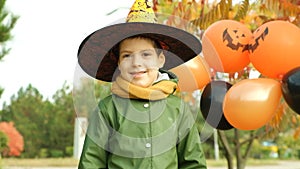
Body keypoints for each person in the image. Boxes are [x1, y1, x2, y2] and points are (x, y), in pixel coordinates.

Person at [77, 0, 207, 168]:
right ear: (118, 63)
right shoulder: (107, 109)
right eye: (127, 56)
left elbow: (193, 164)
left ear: (160, 60)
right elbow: (91, 163)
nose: (136, 63)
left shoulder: (178, 109)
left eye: (146, 55)